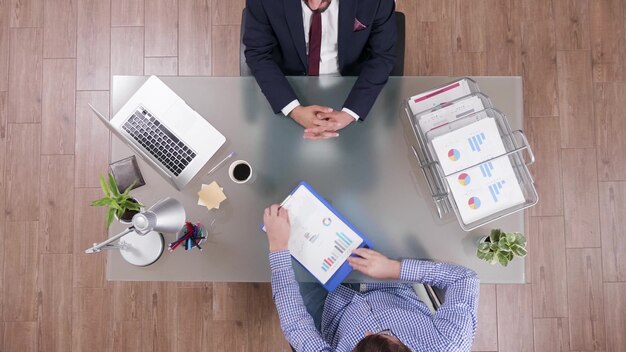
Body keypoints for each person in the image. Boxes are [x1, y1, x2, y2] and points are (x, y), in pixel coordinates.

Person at [263, 204, 480, 352]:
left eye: (359, 342)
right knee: (356, 202)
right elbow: (464, 280)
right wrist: (394, 269)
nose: (367, 330)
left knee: (285, 238)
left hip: (331, 308)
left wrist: (278, 246)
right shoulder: (450, 344)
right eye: (387, 333)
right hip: (389, 283)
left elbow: (295, 326)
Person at [243, 0, 397, 140]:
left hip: (354, 89)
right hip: (287, 87)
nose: (314, 6)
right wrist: (294, 110)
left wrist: (350, 113)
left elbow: (382, 56)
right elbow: (258, 53)